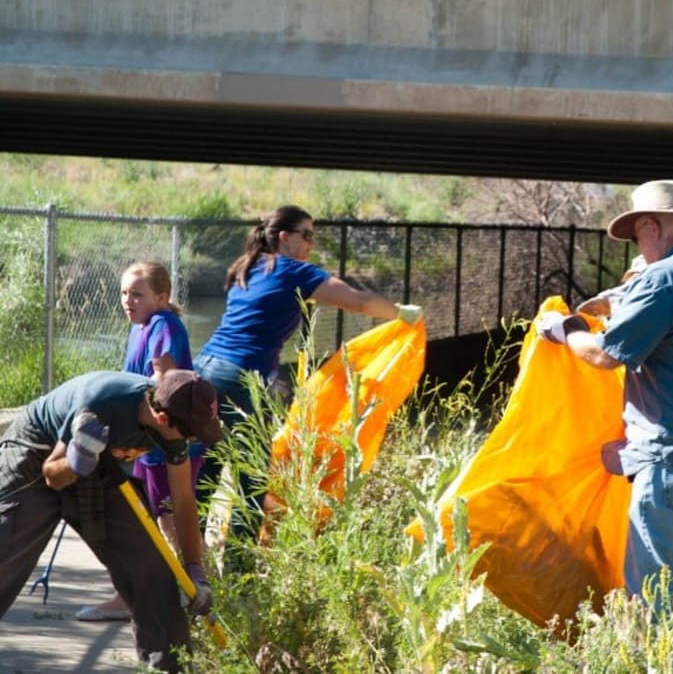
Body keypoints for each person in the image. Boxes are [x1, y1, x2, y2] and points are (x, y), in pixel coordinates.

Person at [535, 180, 673, 629]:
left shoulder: (665, 277)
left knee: (655, 598)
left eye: (637, 237)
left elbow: (604, 355)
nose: (639, 248)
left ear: (652, 227)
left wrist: (568, 328)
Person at [193, 205, 416, 539]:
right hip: (242, 377)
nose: (312, 243)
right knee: (251, 476)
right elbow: (358, 301)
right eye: (306, 234)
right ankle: (240, 573)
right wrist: (402, 313)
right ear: (285, 237)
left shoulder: (247, 267)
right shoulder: (294, 270)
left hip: (205, 368)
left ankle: (185, 561)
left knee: (208, 465)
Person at [0, 369, 224, 672]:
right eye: (191, 432)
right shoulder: (100, 403)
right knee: (5, 551)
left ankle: (169, 667)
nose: (193, 439)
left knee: (151, 567)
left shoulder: (173, 417)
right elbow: (53, 475)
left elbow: (183, 499)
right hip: (37, 458)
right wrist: (78, 459)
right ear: (162, 420)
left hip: (98, 464)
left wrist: (195, 569)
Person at [78, 261, 203, 622]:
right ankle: (154, 593)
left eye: (137, 294)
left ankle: (180, 593)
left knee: (163, 519)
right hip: (146, 440)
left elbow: (162, 380)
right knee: (152, 517)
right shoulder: (143, 324)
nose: (128, 301)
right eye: (123, 293)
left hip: (165, 437)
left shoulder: (163, 324)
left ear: (161, 297)